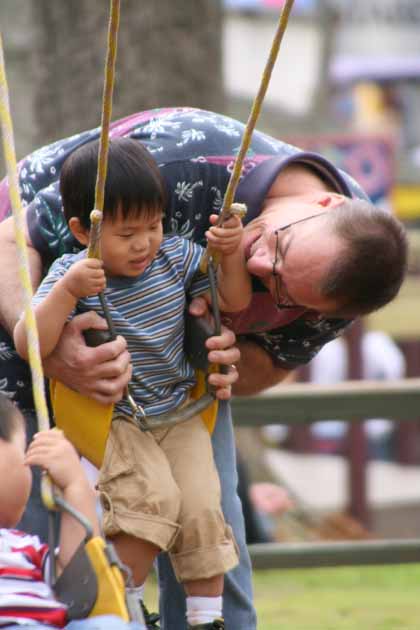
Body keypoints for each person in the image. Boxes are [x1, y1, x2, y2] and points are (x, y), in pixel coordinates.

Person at [0, 107, 408, 630]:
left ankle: (207, 620)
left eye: (282, 290)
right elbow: (13, 240)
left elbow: (269, 363)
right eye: (277, 250)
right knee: (36, 532)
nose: (261, 270)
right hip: (26, 306)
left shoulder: (349, 278)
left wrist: (224, 362)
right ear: (326, 203)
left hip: (170, 388)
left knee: (212, 528)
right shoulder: (181, 161)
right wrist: (53, 354)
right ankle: (107, 610)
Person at [14, 137, 250, 630]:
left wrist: (229, 254)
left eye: (154, 225)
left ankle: (207, 619)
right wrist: (67, 291)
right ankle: (126, 609)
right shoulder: (72, 273)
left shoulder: (177, 258)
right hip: (116, 420)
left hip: (178, 409)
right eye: (127, 233)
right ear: (83, 231)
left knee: (205, 506)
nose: (145, 243)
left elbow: (233, 299)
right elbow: (27, 341)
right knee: (151, 503)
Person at [0, 392, 146, 630]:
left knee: (109, 625)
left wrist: (74, 485)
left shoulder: (24, 547)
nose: (29, 467)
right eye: (22, 451)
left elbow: (79, 579)